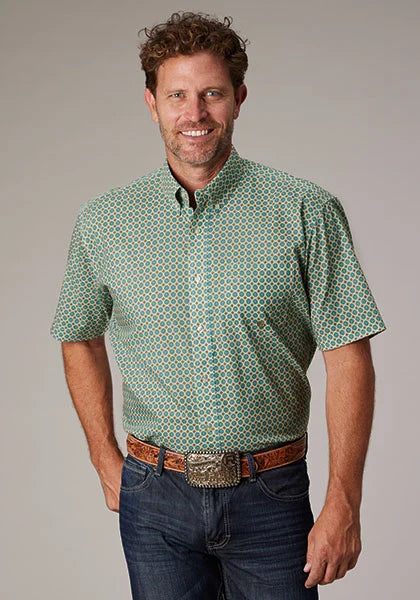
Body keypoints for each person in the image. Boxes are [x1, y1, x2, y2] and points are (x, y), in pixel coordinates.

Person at [49, 11, 386, 600]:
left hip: (271, 496)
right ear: (152, 104)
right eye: (177, 95)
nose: (195, 113)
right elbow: (77, 335)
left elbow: (349, 357)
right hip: (154, 499)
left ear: (239, 99)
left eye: (212, 93)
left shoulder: (305, 210)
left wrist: (344, 501)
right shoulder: (104, 221)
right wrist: (106, 460)